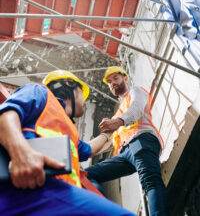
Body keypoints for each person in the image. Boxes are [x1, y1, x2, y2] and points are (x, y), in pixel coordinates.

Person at [0, 70, 135, 216]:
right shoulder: (40, 92)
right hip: (32, 189)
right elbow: (6, 114)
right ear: (70, 86)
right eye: (82, 94)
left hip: (56, 198)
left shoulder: (70, 131)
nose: (84, 101)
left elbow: (89, 149)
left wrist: (109, 132)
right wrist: (21, 152)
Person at [86, 66, 167, 216]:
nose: (113, 83)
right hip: (125, 154)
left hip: (141, 141)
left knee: (150, 181)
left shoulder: (135, 91)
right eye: (109, 82)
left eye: (115, 78)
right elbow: (106, 141)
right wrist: (82, 150)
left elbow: (136, 109)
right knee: (87, 175)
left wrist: (118, 121)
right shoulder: (118, 112)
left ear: (125, 78)